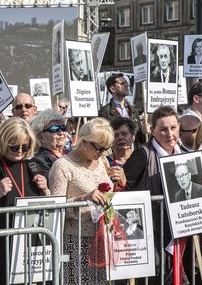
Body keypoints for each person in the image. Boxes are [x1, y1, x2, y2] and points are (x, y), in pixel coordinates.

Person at [49, 118, 126, 284]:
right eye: (99, 148)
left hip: (102, 238)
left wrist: (121, 182)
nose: (102, 153)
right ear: (84, 142)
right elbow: (54, 209)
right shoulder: (62, 166)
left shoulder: (103, 162)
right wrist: (83, 199)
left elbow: (111, 194)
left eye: (106, 149)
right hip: (75, 241)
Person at [0, 117, 48, 284]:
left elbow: (48, 206)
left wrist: (46, 190)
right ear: (3, 142)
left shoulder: (33, 167)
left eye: (25, 146)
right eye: (14, 146)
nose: (19, 151)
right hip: (0, 248)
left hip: (30, 247)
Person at [123, 106, 180, 281]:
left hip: (176, 230)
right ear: (153, 131)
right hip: (149, 233)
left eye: (173, 128)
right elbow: (124, 189)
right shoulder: (142, 155)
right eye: (163, 129)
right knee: (155, 276)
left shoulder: (184, 154)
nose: (169, 134)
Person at [98, 73, 144, 145]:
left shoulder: (133, 110)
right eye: (122, 83)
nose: (126, 85)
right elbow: (103, 139)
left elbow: (141, 138)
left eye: (126, 82)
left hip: (134, 154)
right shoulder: (104, 112)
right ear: (112, 89)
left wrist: (145, 131)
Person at [29, 108, 68, 179]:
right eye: (54, 129)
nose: (61, 133)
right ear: (41, 137)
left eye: (63, 128)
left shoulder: (70, 154)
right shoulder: (37, 161)